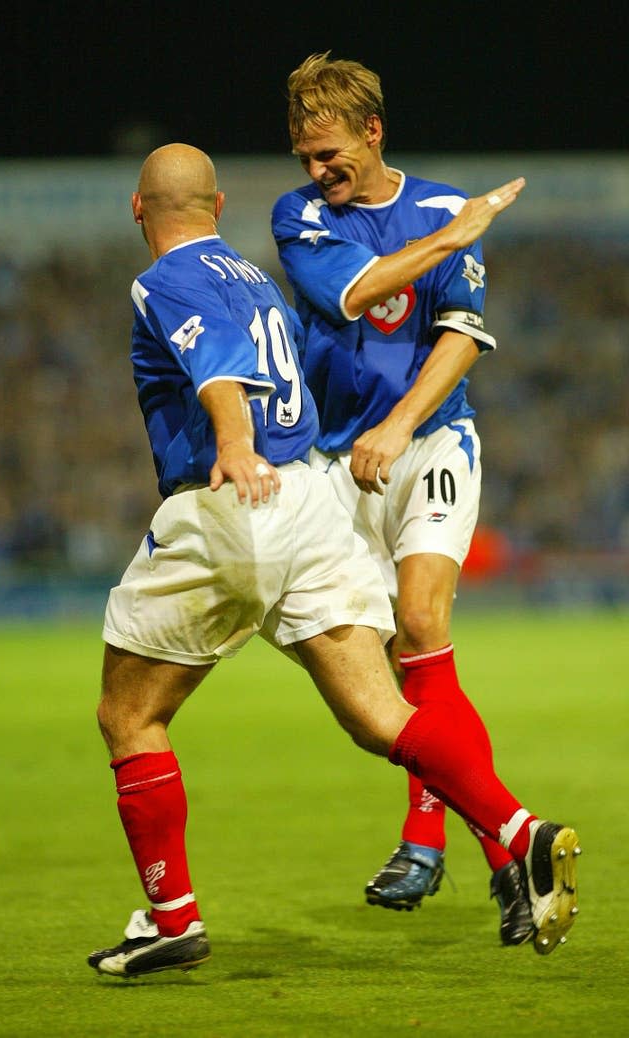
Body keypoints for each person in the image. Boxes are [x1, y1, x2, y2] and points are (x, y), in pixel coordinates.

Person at [87, 143, 580, 978]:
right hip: (312, 500)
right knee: (381, 717)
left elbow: (219, 375)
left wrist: (236, 447)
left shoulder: (163, 282)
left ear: (140, 210)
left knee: (128, 717)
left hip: (232, 507)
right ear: (220, 208)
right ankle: (516, 833)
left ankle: (172, 920)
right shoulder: (255, 278)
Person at [272, 51, 534, 944]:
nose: (317, 173)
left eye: (330, 153)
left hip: (430, 443)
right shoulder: (301, 216)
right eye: (305, 156)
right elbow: (354, 292)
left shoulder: (434, 205)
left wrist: (401, 425)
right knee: (378, 671)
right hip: (333, 465)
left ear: (372, 131)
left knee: (422, 624)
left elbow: (460, 336)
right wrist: (457, 236)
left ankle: (433, 839)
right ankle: (507, 851)